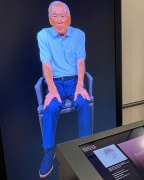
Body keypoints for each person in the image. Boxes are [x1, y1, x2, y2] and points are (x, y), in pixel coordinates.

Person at [37, 1, 91, 178]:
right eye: (55, 16)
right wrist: (51, 89)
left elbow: (80, 62)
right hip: (55, 82)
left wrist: (80, 84)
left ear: (69, 18)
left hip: (74, 80)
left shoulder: (79, 35)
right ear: (49, 19)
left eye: (63, 16)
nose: (59, 20)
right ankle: (49, 152)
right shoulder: (43, 35)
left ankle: (86, 146)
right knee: (50, 108)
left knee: (83, 103)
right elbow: (46, 65)